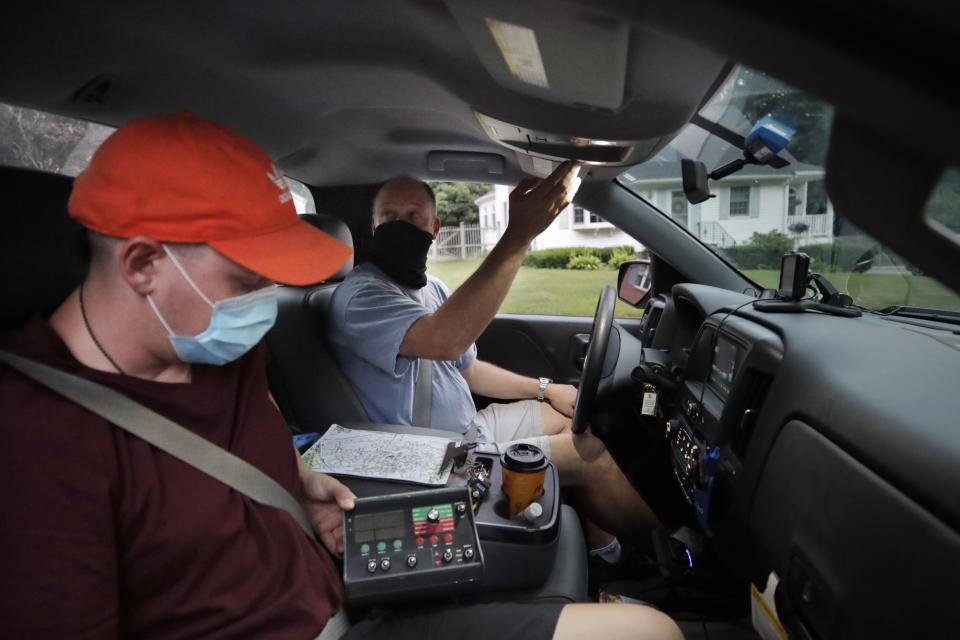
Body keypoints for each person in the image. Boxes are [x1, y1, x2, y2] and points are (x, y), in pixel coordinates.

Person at [0, 113, 682, 640]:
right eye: (249, 275)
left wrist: (301, 488)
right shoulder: (35, 450)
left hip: (345, 598)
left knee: (650, 631)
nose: (264, 298)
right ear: (144, 264)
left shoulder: (213, 351)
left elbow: (250, 459)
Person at [327, 172, 660, 554]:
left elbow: (468, 368)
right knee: (590, 456)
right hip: (435, 459)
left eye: (414, 216)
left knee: (575, 421)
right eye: (389, 216)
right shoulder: (361, 296)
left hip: (472, 432)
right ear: (373, 227)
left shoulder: (432, 288)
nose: (400, 225)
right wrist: (519, 236)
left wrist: (546, 389)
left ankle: (596, 546)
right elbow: (446, 342)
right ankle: (664, 550)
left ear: (434, 228)